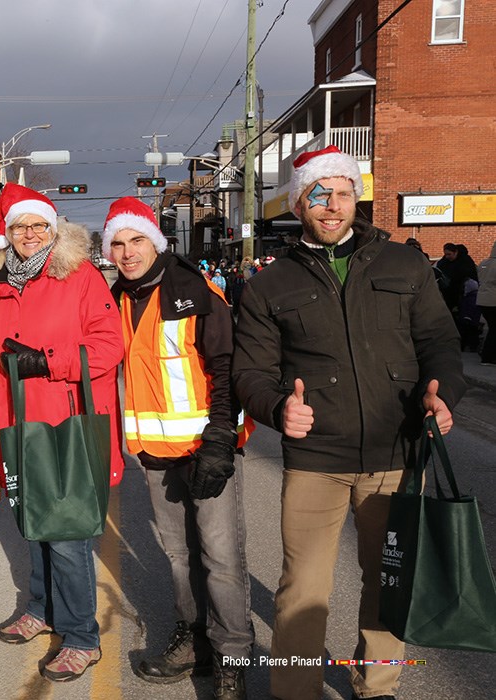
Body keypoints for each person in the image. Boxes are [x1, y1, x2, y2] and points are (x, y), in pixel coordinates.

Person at [233, 145, 466, 700]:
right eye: (318, 195)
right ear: (298, 202)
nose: (330, 205)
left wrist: (443, 393)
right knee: (302, 589)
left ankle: (377, 684)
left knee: (389, 579)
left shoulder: (403, 264)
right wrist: (276, 407)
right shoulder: (270, 284)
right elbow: (251, 371)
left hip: (397, 454)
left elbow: (440, 341)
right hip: (317, 459)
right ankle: (294, 690)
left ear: (354, 197)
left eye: (340, 193)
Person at [0, 184, 123, 683]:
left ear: (53, 230)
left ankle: (80, 637)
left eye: (38, 226)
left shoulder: (81, 277)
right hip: (15, 430)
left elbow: (109, 344)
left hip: (64, 426)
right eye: (19, 228)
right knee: (33, 526)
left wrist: (47, 363)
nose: (29, 235)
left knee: (68, 537)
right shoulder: (0, 289)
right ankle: (42, 607)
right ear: (5, 236)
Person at [103, 198, 253, 699]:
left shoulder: (196, 290)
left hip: (203, 450)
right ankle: (195, 642)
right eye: (118, 244)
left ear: (155, 242)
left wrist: (220, 442)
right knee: (179, 556)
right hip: (154, 454)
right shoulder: (118, 298)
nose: (127, 253)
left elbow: (228, 369)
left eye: (136, 240)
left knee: (221, 559)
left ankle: (232, 656)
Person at [478, 240, 496, 365]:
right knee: (494, 330)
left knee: (492, 328)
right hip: (493, 300)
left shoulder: (483, 263)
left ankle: (486, 354)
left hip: (482, 300)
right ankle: (488, 357)